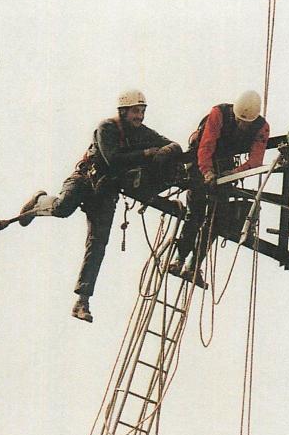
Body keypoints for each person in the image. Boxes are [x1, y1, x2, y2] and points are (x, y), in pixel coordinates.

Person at [18, 89, 182, 322]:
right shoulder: (107, 128)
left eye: (142, 112)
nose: (140, 117)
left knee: (97, 245)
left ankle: (82, 301)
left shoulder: (143, 133)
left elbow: (173, 145)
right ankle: (39, 202)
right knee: (63, 208)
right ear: (124, 111)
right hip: (86, 179)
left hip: (106, 192)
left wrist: (166, 151)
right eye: (136, 112)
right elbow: (112, 160)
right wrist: (146, 153)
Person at [169, 90, 270, 287]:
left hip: (225, 166)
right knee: (195, 211)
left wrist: (233, 173)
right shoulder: (219, 113)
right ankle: (178, 259)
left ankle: (193, 265)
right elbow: (206, 146)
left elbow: (256, 160)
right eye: (240, 121)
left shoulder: (261, 127)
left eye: (246, 123)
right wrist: (207, 173)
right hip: (200, 161)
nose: (243, 126)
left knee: (216, 218)